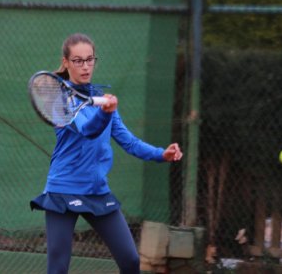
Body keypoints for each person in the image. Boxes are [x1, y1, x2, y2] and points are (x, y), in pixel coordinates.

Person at [30, 33, 183, 274]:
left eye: (89, 59)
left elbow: (129, 142)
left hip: (96, 191)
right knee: (58, 269)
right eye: (78, 60)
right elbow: (88, 130)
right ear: (66, 62)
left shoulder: (101, 98)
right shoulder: (61, 100)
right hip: (62, 191)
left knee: (131, 262)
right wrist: (106, 112)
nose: (85, 66)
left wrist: (161, 154)